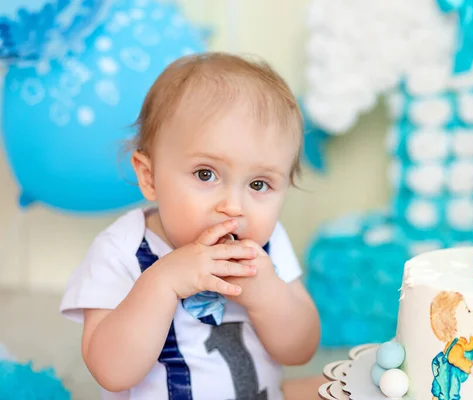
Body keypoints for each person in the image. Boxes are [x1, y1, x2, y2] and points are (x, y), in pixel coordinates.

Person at [60, 52, 323, 400]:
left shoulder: (268, 244)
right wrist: (163, 282)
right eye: (206, 174)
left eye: (258, 184)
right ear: (149, 176)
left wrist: (268, 294)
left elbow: (300, 349)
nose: (233, 206)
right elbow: (111, 372)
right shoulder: (121, 249)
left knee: (343, 386)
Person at [430, 291, 473, 400]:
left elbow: (466, 346)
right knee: (449, 393)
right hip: (450, 373)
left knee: (440, 390)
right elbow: (454, 357)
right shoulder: (456, 346)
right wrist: (471, 367)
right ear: (454, 324)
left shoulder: (462, 341)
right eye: (468, 311)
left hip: (447, 370)